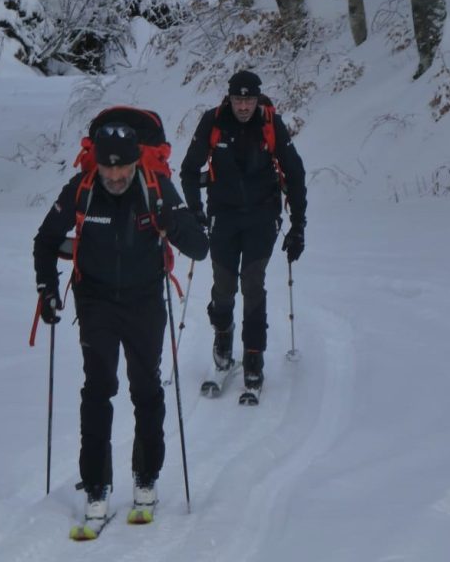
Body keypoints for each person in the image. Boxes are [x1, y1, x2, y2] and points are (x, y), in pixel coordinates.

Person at [33, 121, 209, 523]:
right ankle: (96, 483)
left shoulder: (156, 189)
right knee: (99, 388)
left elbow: (199, 247)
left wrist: (173, 222)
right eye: (107, 168)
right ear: (96, 162)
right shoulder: (81, 188)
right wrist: (47, 288)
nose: (114, 176)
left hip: (145, 299)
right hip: (94, 299)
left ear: (135, 162)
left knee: (146, 387)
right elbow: (45, 239)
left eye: (122, 168)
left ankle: (146, 476)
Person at [180, 70, 307, 394]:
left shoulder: (269, 123)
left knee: (252, 284)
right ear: (230, 98)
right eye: (239, 99)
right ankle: (223, 344)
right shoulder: (214, 121)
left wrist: (298, 226)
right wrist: (195, 210)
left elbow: (294, 171)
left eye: (249, 99)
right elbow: (189, 169)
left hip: (262, 216)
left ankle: (254, 359)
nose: (244, 106)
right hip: (223, 215)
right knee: (223, 287)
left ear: (257, 99)